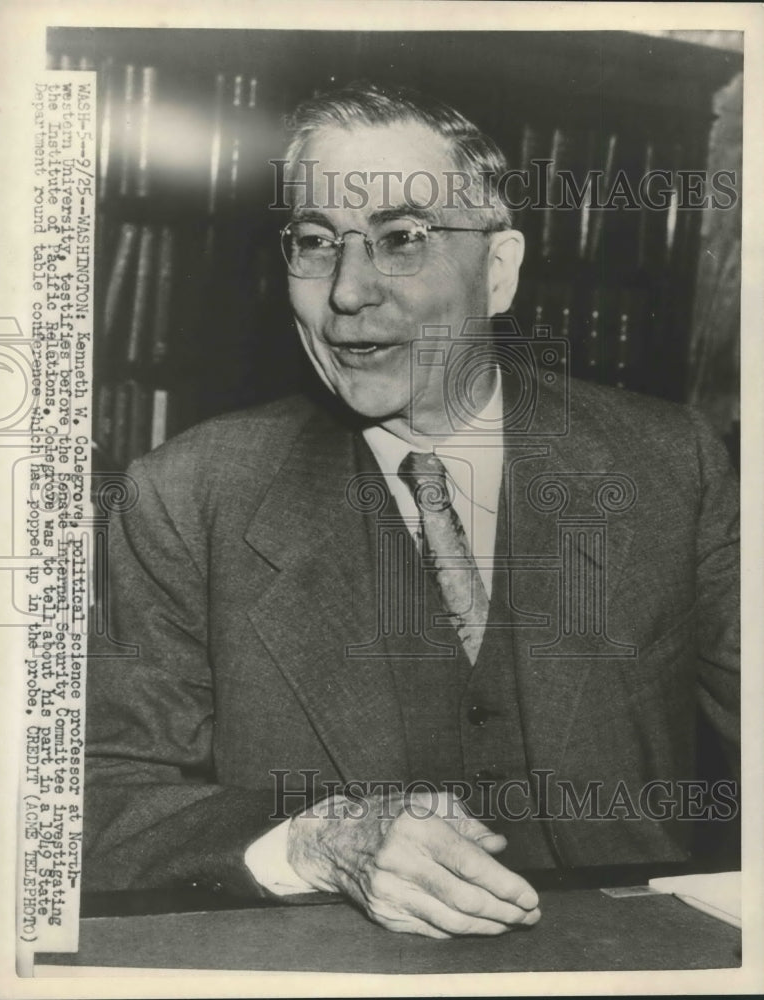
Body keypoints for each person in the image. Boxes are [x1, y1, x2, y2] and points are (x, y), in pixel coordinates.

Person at [84, 82, 739, 940]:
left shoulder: (669, 463)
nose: (349, 291)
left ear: (497, 272)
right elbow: (92, 805)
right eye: (315, 243)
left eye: (401, 239)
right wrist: (319, 843)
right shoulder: (188, 495)